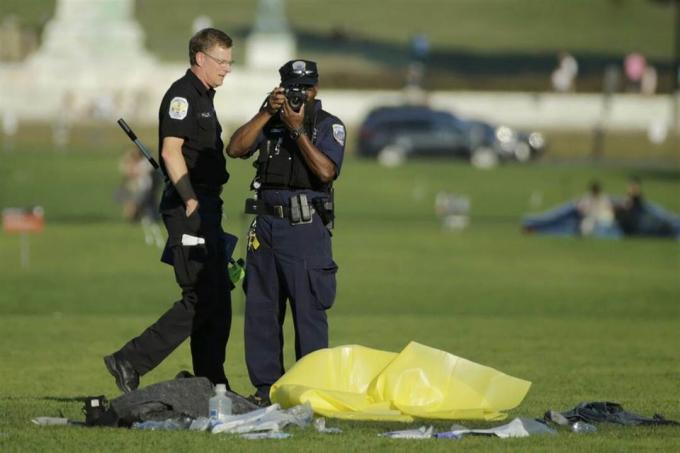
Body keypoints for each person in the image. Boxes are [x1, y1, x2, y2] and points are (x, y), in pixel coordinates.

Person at [104, 28, 235, 393]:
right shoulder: (183, 96)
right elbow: (170, 151)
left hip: (208, 204)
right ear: (200, 58)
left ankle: (214, 385)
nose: (227, 69)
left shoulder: (205, 96)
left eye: (230, 61)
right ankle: (129, 360)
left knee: (218, 296)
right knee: (202, 296)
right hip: (190, 206)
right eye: (221, 61)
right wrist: (190, 197)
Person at [226, 60, 345, 406]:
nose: (298, 94)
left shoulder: (328, 125)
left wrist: (297, 131)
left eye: (304, 88)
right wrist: (266, 113)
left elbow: (325, 172)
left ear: (315, 89)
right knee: (261, 311)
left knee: (308, 311)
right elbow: (235, 148)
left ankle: (311, 392)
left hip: (304, 228)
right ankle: (266, 391)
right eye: (290, 87)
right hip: (265, 227)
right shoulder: (270, 121)